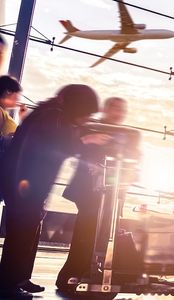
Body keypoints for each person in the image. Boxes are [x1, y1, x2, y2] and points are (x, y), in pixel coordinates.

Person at [0, 84, 109, 298]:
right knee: (21, 235)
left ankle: (19, 278)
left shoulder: (48, 113)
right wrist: (86, 140)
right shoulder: (52, 116)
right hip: (25, 185)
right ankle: (7, 285)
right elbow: (57, 145)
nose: (85, 119)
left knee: (28, 231)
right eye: (86, 113)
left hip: (26, 184)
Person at [55, 97, 137, 293]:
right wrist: (94, 165)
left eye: (121, 109)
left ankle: (89, 273)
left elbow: (133, 158)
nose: (118, 113)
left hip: (112, 192)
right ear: (106, 109)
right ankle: (71, 275)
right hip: (90, 191)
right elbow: (80, 150)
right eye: (115, 108)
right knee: (87, 232)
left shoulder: (124, 134)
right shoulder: (92, 129)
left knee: (101, 235)